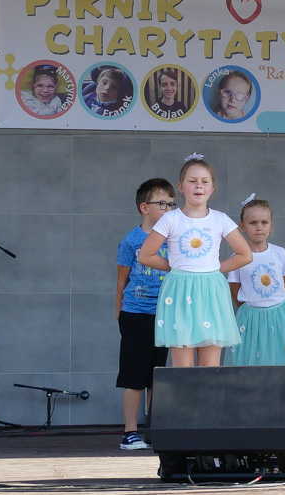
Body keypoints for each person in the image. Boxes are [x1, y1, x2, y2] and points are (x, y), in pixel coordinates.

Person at [138, 154, 252, 367]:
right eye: (192, 181)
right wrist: (175, 267)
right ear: (181, 187)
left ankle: (209, 401)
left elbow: (245, 254)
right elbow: (146, 255)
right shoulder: (171, 219)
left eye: (204, 181)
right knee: (183, 368)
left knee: (210, 367)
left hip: (211, 290)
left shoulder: (220, 219)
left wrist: (215, 268)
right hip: (180, 291)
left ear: (212, 188)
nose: (198, 186)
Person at [115, 178, 175, 450]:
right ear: (144, 207)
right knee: (134, 375)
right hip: (136, 314)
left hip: (164, 315)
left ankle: (152, 428)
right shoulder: (132, 240)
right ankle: (130, 432)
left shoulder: (174, 238)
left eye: (172, 204)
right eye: (162, 203)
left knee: (156, 375)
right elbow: (122, 281)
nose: (169, 208)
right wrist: (120, 314)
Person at [225, 195, 285, 366]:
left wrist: (275, 303)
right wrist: (253, 308)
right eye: (253, 223)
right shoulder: (237, 258)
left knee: (280, 359)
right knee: (252, 361)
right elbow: (234, 288)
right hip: (251, 317)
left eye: (264, 222)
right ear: (242, 227)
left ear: (271, 225)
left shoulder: (280, 253)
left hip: (279, 315)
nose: (259, 227)